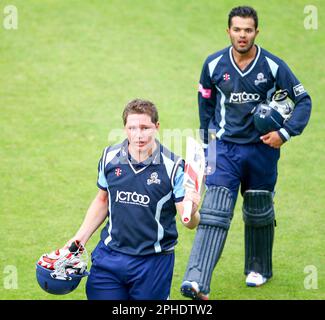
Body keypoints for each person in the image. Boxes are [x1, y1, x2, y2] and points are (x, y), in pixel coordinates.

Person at [180, 6, 312, 300]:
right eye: (237, 29)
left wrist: (284, 133)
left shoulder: (273, 66)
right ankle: (196, 280)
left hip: (262, 150)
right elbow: (206, 106)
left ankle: (258, 269)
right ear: (228, 31)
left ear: (256, 32)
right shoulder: (214, 65)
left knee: (258, 211)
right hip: (224, 149)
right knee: (214, 211)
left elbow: (303, 100)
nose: (242, 35)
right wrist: (206, 146)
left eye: (248, 30)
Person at [66, 98, 200, 300]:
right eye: (133, 128)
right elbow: (103, 200)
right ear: (125, 129)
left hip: (153, 263)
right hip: (110, 258)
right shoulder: (109, 157)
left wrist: (194, 209)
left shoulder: (173, 167)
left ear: (157, 127)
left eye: (145, 127)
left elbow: (188, 221)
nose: (139, 135)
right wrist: (79, 239)